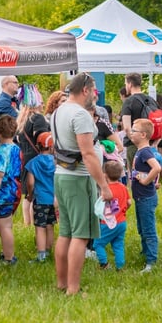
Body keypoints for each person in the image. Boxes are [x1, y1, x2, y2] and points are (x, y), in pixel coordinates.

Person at [50, 72, 113, 296]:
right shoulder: (80, 114)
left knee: (65, 233)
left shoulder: (58, 112)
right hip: (78, 178)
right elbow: (88, 154)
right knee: (80, 235)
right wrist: (104, 186)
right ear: (85, 90)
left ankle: (61, 283)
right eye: (94, 91)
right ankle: (73, 289)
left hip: (61, 175)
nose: (95, 96)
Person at [129, 118, 162, 273]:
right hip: (140, 197)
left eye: (134, 130)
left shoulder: (145, 152)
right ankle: (145, 252)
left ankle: (151, 261)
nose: (130, 132)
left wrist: (145, 181)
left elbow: (156, 168)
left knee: (148, 229)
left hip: (146, 197)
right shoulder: (140, 151)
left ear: (143, 135)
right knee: (141, 227)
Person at [0, 115, 21, 264]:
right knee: (6, 224)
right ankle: (7, 253)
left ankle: (9, 257)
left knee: (4, 226)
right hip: (14, 190)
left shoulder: (1, 152)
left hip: (3, 193)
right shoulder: (16, 149)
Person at [16, 83, 50, 226]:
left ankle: (27, 224)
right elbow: (42, 139)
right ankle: (36, 223)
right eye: (41, 101)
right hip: (38, 160)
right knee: (36, 194)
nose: (42, 104)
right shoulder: (38, 119)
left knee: (28, 195)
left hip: (25, 160)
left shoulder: (21, 121)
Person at [24, 131, 56, 263]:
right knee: (50, 226)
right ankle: (49, 251)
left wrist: (30, 195)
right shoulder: (56, 162)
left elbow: (30, 182)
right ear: (51, 147)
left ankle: (41, 255)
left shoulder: (33, 163)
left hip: (40, 200)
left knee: (40, 227)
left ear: (38, 146)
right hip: (53, 200)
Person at [93, 160, 130, 271]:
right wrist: (123, 211)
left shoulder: (106, 190)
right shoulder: (123, 187)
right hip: (122, 222)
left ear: (105, 175)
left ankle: (104, 264)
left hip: (108, 223)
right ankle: (120, 266)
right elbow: (129, 203)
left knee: (98, 244)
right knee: (118, 245)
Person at [119, 72, 153, 171]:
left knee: (134, 174)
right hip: (149, 143)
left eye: (126, 84)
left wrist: (136, 141)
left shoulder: (129, 101)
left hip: (133, 144)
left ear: (130, 84)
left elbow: (126, 127)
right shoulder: (151, 100)